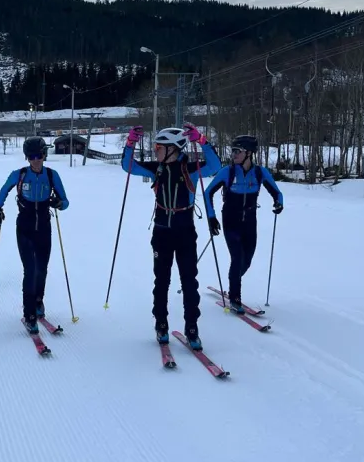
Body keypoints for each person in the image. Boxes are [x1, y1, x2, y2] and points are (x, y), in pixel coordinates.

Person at [119, 123, 221, 350]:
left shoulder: (191, 168)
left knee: (189, 282)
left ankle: (192, 327)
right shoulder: (157, 168)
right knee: (161, 281)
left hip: (185, 231)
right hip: (161, 232)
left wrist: (202, 141)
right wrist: (130, 144)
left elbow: (215, 165)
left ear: (174, 148)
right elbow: (128, 166)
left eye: (159, 147)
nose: (155, 151)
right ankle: (161, 323)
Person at [0, 136, 69, 334]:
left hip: (44, 227)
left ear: (45, 155)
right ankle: (29, 314)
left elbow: (65, 201)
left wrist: (58, 203)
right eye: (32, 156)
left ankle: (38, 302)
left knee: (42, 269)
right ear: (27, 157)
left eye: (40, 155)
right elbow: (3, 190)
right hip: (25, 228)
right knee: (30, 270)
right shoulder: (19, 175)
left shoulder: (52, 176)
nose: (36, 160)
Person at [203, 134, 283, 314]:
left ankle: (233, 282)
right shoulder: (227, 172)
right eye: (232, 151)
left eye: (237, 151)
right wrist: (211, 216)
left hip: (250, 221)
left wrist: (279, 204)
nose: (233, 154)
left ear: (249, 153)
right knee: (237, 258)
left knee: (247, 261)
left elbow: (277, 193)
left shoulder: (260, 172)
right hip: (230, 220)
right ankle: (235, 297)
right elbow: (208, 193)